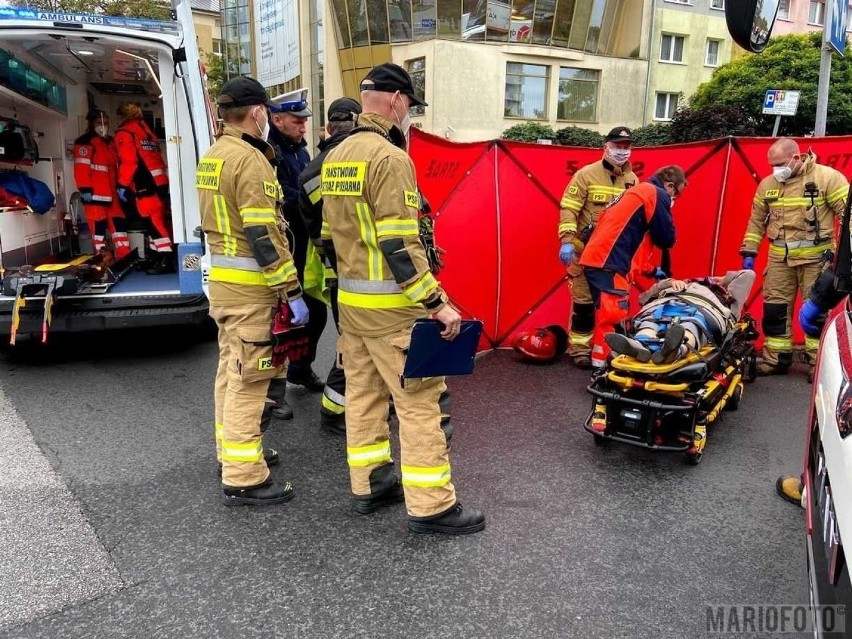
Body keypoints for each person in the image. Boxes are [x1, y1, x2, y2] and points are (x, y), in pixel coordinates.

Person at [321, 62, 485, 535]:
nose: (409, 114)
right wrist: (437, 303)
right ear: (395, 101)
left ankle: (372, 484)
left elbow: (332, 235)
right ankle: (432, 505)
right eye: (409, 105)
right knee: (419, 406)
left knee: (365, 399)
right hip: (395, 310)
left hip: (353, 308)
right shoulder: (391, 159)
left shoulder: (339, 155)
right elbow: (400, 243)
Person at [197, 76, 309, 506]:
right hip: (251, 292)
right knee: (251, 379)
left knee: (230, 371)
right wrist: (291, 291)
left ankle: (232, 453)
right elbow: (265, 235)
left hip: (226, 288)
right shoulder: (251, 161)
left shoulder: (215, 155)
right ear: (259, 113)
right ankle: (244, 475)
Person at [740, 138, 847, 378]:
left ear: (796, 158)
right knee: (775, 309)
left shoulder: (827, 178)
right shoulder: (768, 184)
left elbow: (849, 215)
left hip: (817, 261)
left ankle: (818, 365)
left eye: (779, 164)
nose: (775, 170)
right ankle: (776, 359)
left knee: (816, 312)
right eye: (772, 165)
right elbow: (756, 222)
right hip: (779, 260)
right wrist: (749, 251)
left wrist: (844, 258)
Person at [298, 97, 363, 435]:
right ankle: (334, 411)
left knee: (351, 342)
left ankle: (346, 406)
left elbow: (313, 226)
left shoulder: (311, 170)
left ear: (328, 127)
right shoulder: (365, 160)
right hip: (367, 272)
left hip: (333, 269)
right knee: (356, 345)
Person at [579, 165, 684, 369]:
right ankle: (603, 368)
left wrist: (652, 270)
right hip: (609, 263)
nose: (674, 199)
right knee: (612, 317)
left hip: (598, 260)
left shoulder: (634, 193)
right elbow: (666, 237)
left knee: (608, 316)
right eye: (676, 193)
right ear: (670, 185)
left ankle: (606, 362)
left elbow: (631, 243)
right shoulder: (656, 193)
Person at [558, 127, 637, 369]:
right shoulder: (585, 175)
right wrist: (567, 240)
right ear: (606, 147)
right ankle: (580, 349)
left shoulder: (633, 180)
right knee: (583, 304)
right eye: (617, 146)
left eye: (626, 147)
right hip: (583, 253)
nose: (621, 151)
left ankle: (608, 349)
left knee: (611, 306)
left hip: (613, 257)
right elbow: (569, 208)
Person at [267, 89, 328, 401]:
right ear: (277, 120)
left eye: (305, 122)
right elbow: (285, 196)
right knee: (278, 320)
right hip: (283, 246)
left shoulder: (301, 152)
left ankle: (301, 368)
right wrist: (314, 201)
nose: (304, 127)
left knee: (315, 312)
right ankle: (271, 391)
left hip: (304, 243)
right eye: (297, 121)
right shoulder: (269, 153)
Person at [605, 270, 756, 365]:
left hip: (705, 309)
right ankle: (639, 346)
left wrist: (725, 278)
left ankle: (674, 350)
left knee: (692, 324)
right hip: (666, 303)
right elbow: (643, 298)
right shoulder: (675, 285)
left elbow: (749, 275)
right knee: (650, 321)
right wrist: (667, 283)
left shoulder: (726, 297)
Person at [113, 102, 174, 274]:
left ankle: (165, 258)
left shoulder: (126, 133)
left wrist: (122, 184)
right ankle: (156, 255)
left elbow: (129, 162)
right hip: (160, 182)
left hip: (145, 183)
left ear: (122, 116)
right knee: (152, 221)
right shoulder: (146, 132)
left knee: (154, 222)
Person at [73, 109, 130, 259]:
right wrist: (85, 189)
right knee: (98, 231)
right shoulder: (84, 142)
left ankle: (124, 257)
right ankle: (102, 259)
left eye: (106, 123)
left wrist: (123, 187)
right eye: (99, 123)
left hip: (113, 195)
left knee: (119, 229)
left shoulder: (111, 142)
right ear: (92, 124)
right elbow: (81, 168)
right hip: (95, 196)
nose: (103, 126)